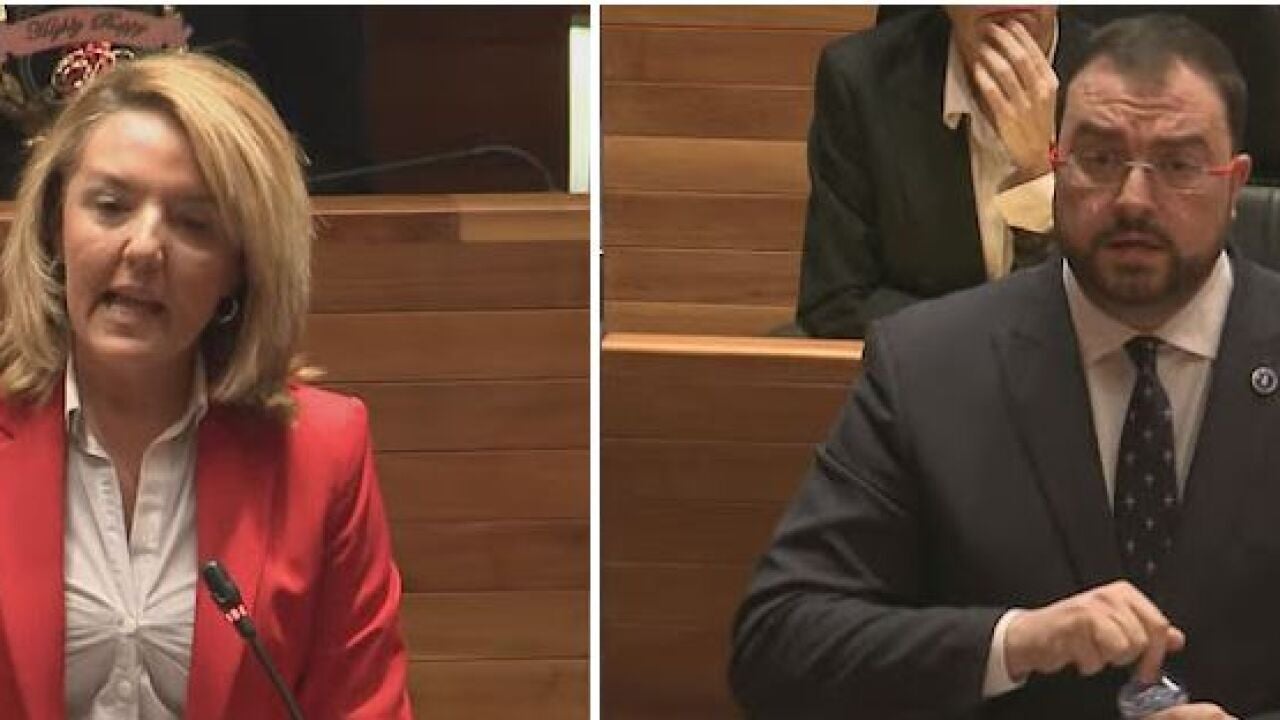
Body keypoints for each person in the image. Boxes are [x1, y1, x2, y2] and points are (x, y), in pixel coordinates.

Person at [733, 14, 1280, 719]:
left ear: (1235, 186)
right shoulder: (929, 366)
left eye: (1178, 166)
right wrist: (1012, 642)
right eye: (1099, 159)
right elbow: (778, 647)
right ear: (1055, 166)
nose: (1133, 199)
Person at [0, 52, 411, 717]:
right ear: (55, 224)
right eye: (110, 207)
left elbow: (361, 704)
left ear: (239, 266)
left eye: (194, 223)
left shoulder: (321, 452)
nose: (143, 249)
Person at [796, 7, 1090, 339]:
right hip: (922, 368)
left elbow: (1109, 310)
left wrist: (1037, 173)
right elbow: (835, 304)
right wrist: (985, 342)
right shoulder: (862, 80)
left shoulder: (1119, 91)